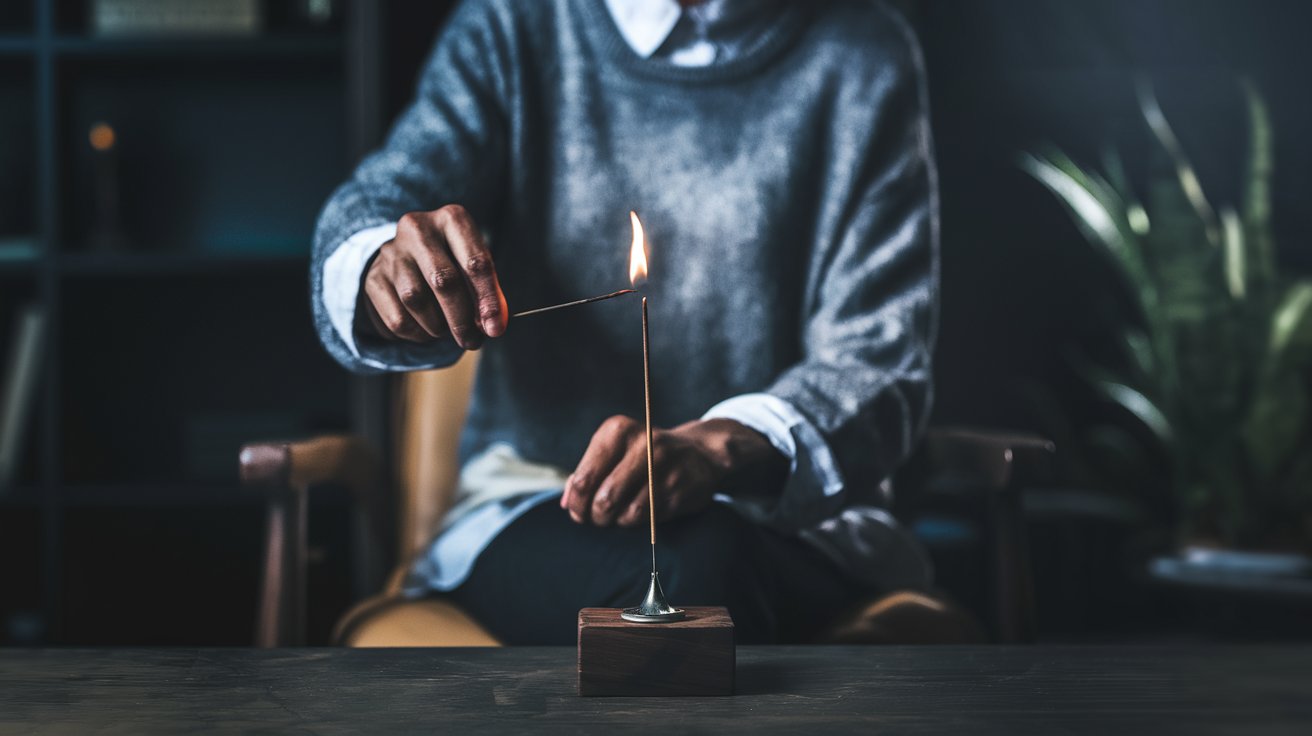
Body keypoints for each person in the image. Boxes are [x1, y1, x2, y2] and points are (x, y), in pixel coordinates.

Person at [312, 0, 939, 644]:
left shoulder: (863, 50)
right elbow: (379, 203)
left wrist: (721, 446)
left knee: (700, 566)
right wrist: (379, 267)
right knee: (683, 574)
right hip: (536, 504)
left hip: (793, 526)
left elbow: (879, 361)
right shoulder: (514, 23)